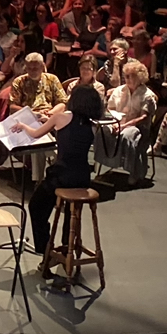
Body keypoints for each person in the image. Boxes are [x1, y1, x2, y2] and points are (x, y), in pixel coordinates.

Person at [15, 83, 105, 264]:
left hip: (61, 174)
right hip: (82, 177)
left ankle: (46, 248)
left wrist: (23, 125)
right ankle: (67, 246)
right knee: (71, 213)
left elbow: (35, 134)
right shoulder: (94, 126)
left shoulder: (60, 118)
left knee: (36, 206)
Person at [96, 58, 157, 186]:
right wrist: (112, 123)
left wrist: (124, 125)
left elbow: (144, 118)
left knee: (128, 135)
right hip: (117, 122)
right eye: (126, 76)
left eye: (130, 76)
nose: (127, 79)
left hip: (138, 127)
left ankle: (133, 171)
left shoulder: (147, 95)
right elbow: (110, 109)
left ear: (140, 77)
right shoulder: (119, 91)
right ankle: (108, 163)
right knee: (102, 131)